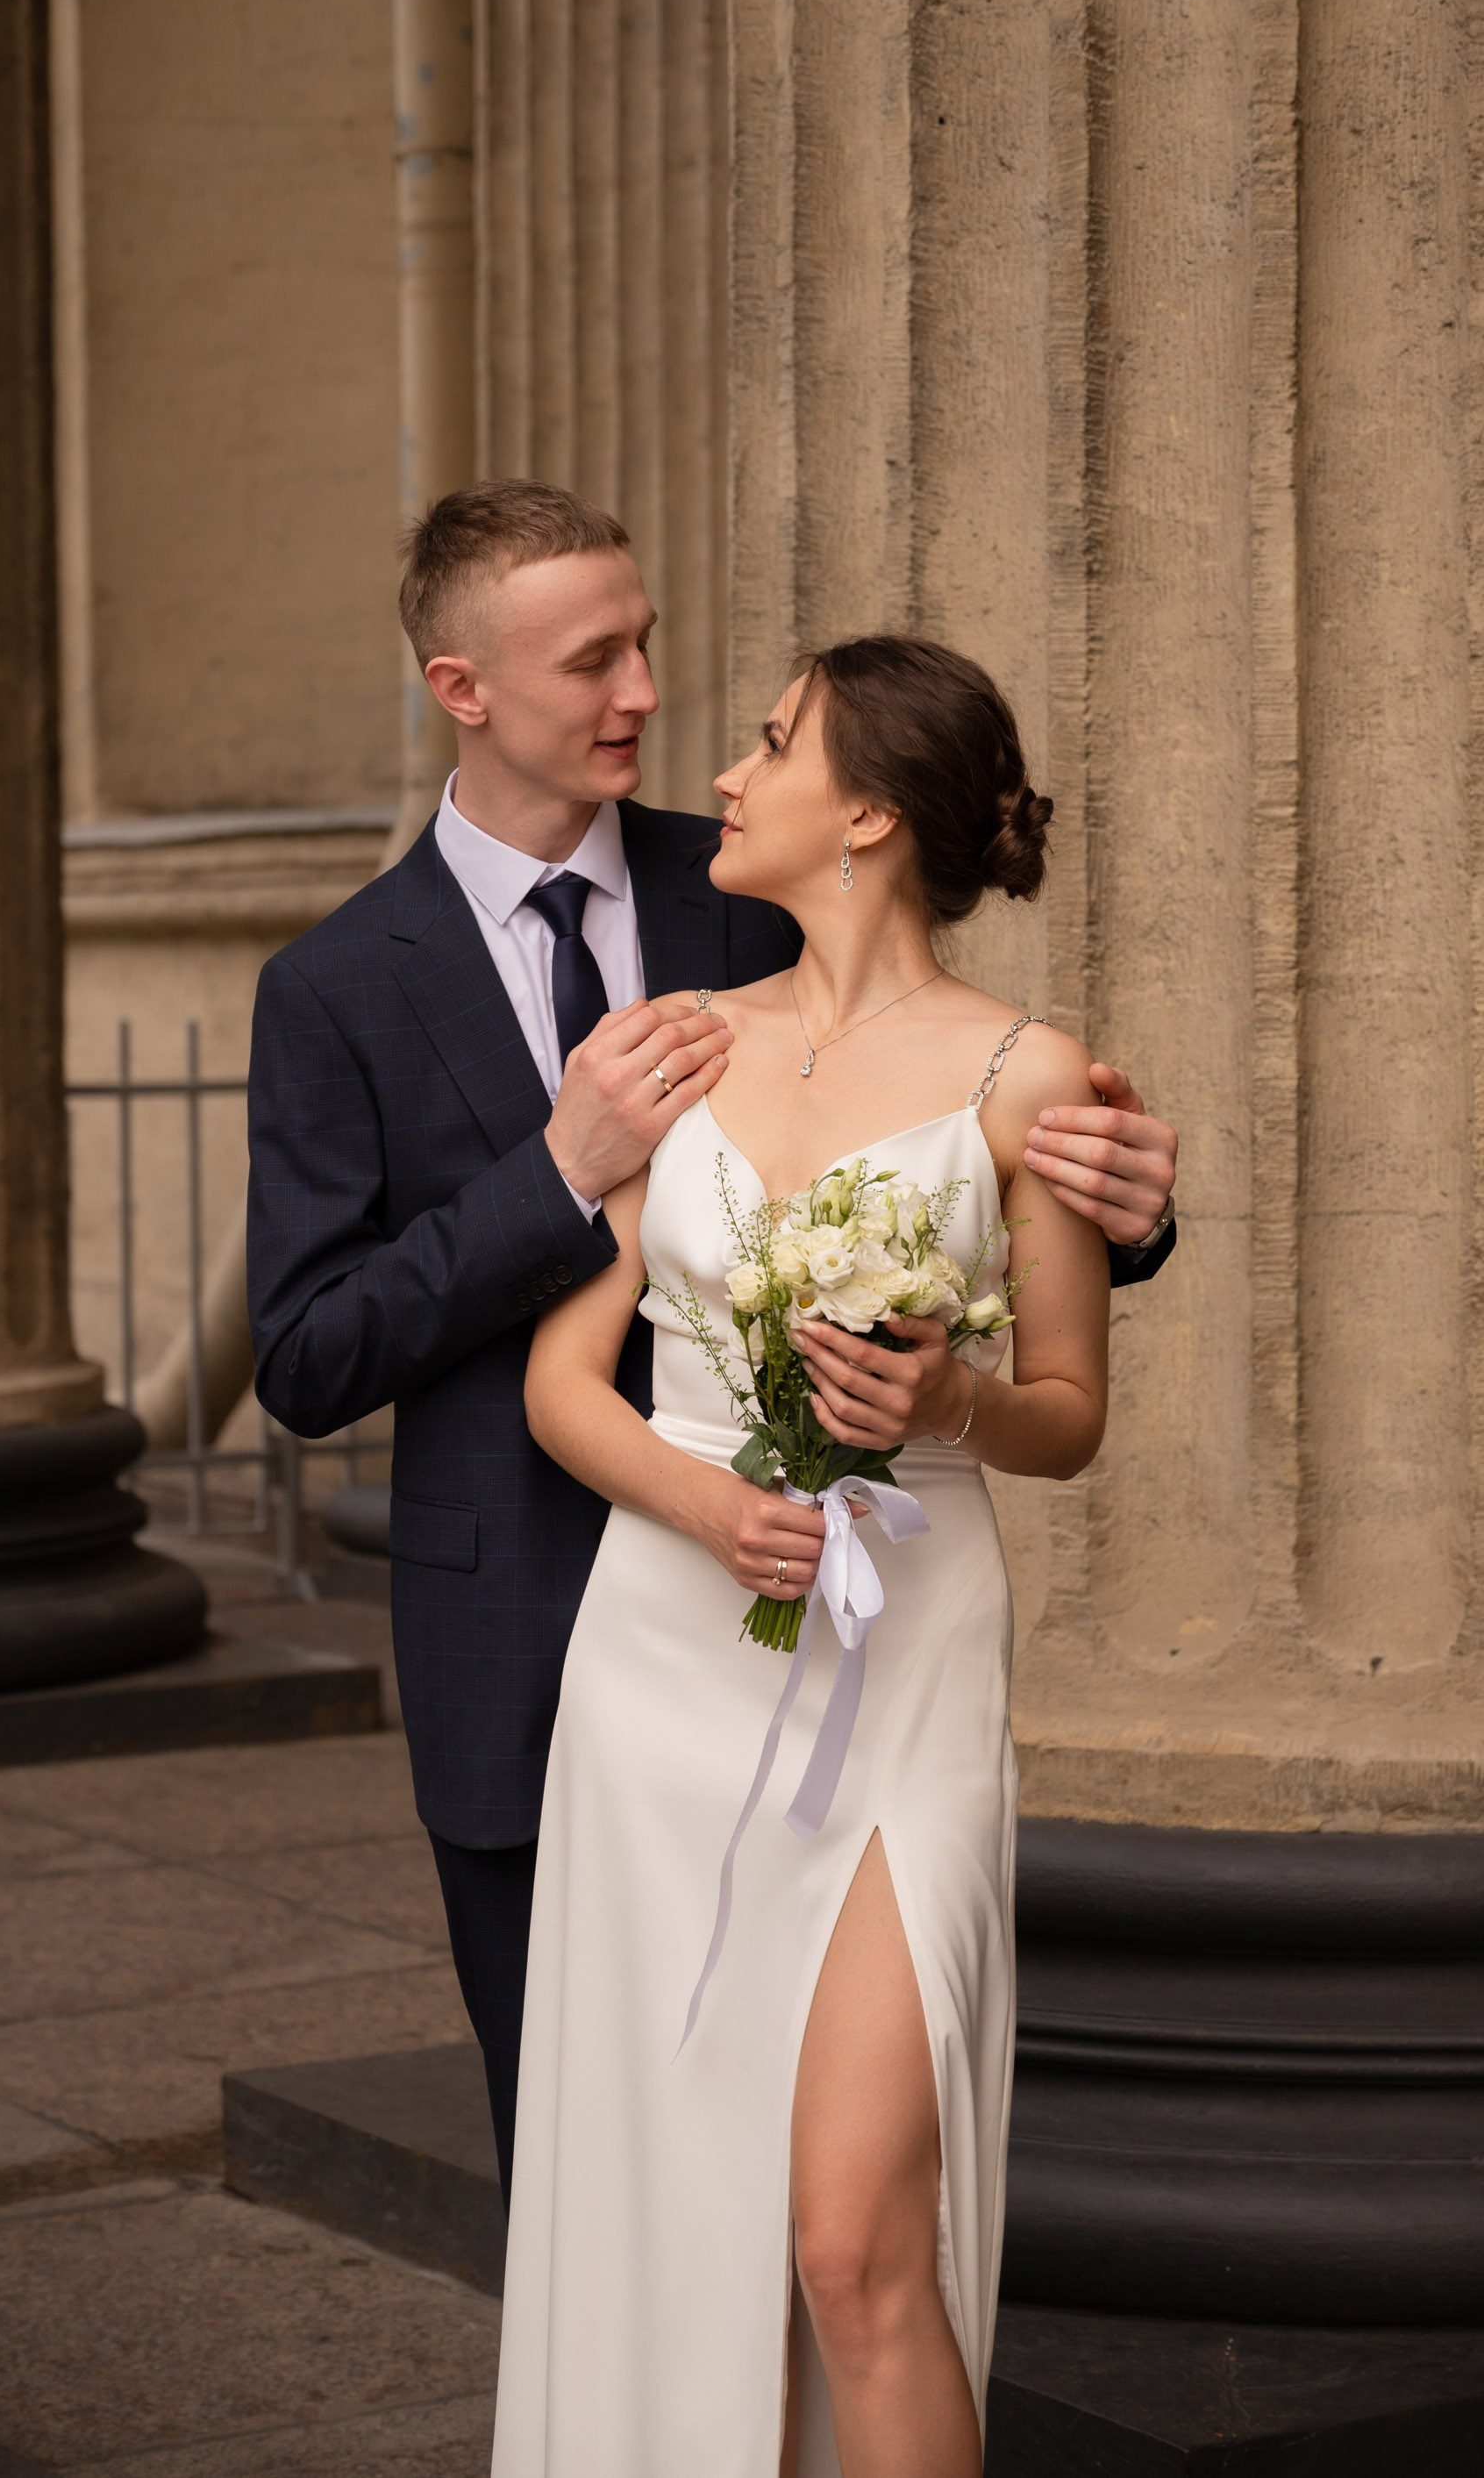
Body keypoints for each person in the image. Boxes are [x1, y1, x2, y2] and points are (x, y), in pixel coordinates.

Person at [246, 483, 1177, 2207]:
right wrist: (553, 1175)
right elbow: (304, 1356)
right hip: (530, 1649)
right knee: (597, 2185)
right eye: (591, 657)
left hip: (826, 1638)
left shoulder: (753, 889)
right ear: (462, 686)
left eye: (647, 641)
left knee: (822, 2188)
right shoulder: (335, 986)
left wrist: (1123, 1203)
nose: (642, 692)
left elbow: (924, 1145)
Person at [497, 637, 1106, 2476]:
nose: (729, 770)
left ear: (864, 810)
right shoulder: (678, 1041)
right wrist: (704, 1506)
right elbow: (558, 1376)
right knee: (690, 2221)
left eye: (772, 743)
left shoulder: (1028, 1074)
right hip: (661, 1665)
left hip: (899, 1658)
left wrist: (948, 1404)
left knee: (851, 2241)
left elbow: (1068, 1408)